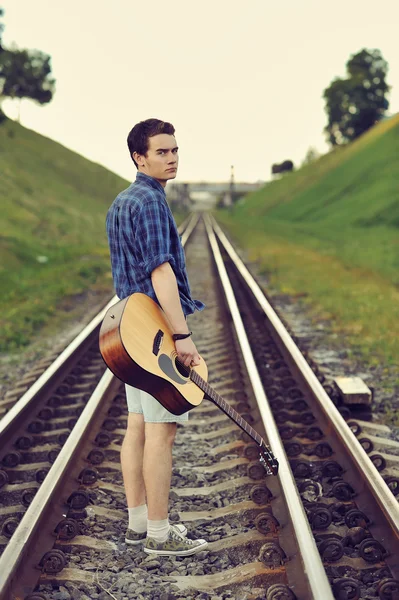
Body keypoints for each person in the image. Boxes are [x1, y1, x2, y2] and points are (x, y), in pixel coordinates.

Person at [105, 118, 207, 556]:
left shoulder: (121, 202)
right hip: (155, 337)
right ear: (138, 157)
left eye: (174, 150)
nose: (172, 158)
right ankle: (161, 537)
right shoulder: (149, 202)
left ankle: (138, 525)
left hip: (131, 330)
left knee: (138, 428)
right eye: (162, 152)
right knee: (161, 432)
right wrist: (181, 335)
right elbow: (159, 271)